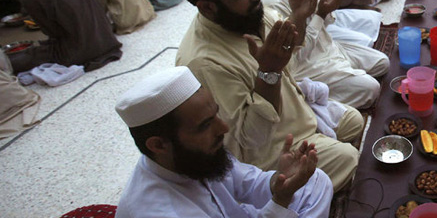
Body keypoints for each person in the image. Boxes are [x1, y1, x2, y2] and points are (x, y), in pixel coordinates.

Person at [175, 0, 363, 191]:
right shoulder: (203, 62)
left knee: (355, 121)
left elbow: (289, 52)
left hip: (298, 112)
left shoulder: (249, 14)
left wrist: (300, 16)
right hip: (271, 150)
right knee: (349, 157)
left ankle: (319, 145)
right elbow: (249, 139)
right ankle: (280, 193)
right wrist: (270, 73)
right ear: (208, 7)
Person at [114, 66, 333, 218]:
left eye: (216, 116)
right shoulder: (157, 211)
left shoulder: (193, 156)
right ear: (159, 145)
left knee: (316, 181)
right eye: (205, 125)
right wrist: (281, 200)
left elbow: (247, 183)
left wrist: (279, 180)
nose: (223, 128)